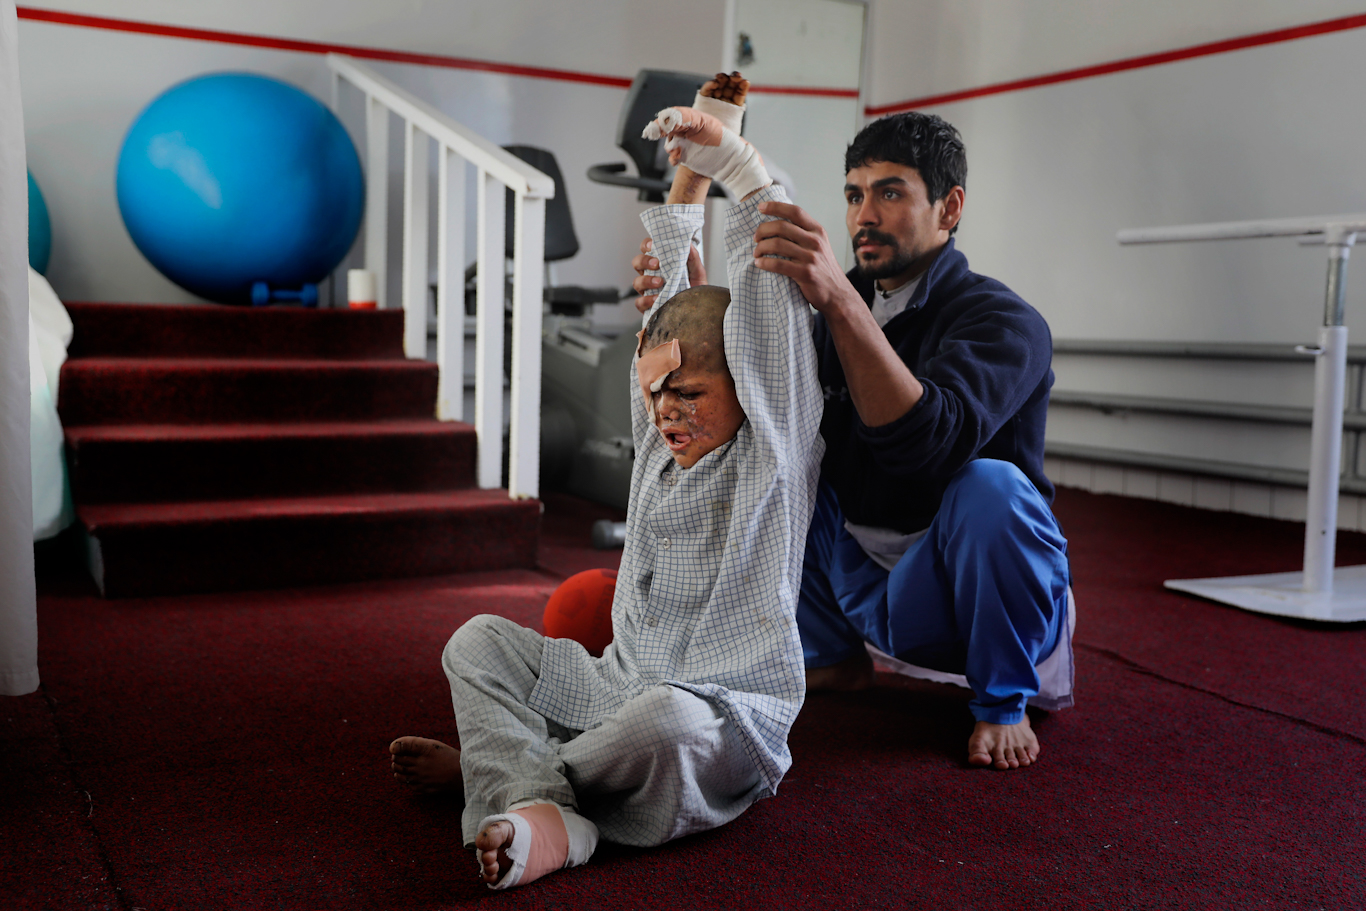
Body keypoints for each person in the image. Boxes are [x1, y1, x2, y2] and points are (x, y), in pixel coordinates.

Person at [389, 73, 824, 889]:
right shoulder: (663, 433)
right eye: (656, 393)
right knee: (476, 640)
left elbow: (769, 300)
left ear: (751, 387)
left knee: (663, 723)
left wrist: (730, 152)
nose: (664, 412)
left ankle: (512, 780)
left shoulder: (774, 450)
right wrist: (686, 175)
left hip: (721, 718)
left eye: (688, 394)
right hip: (619, 685)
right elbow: (668, 297)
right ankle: (538, 796)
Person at [632, 111, 1073, 772]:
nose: (865, 213)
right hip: (866, 585)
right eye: (854, 194)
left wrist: (839, 299)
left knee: (992, 487)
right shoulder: (829, 316)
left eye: (891, 192)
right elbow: (751, 412)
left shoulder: (1004, 321)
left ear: (949, 208)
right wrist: (689, 300)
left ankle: (1002, 698)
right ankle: (832, 655)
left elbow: (925, 445)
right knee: (781, 453)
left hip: (969, 594)